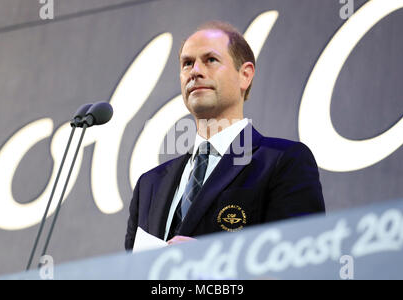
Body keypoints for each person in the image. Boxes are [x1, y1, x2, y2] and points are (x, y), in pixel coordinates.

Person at [125, 21, 325, 250]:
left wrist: (212, 268)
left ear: (245, 75)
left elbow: (301, 267)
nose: (195, 72)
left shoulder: (284, 161)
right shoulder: (148, 185)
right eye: (187, 63)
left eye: (210, 60)